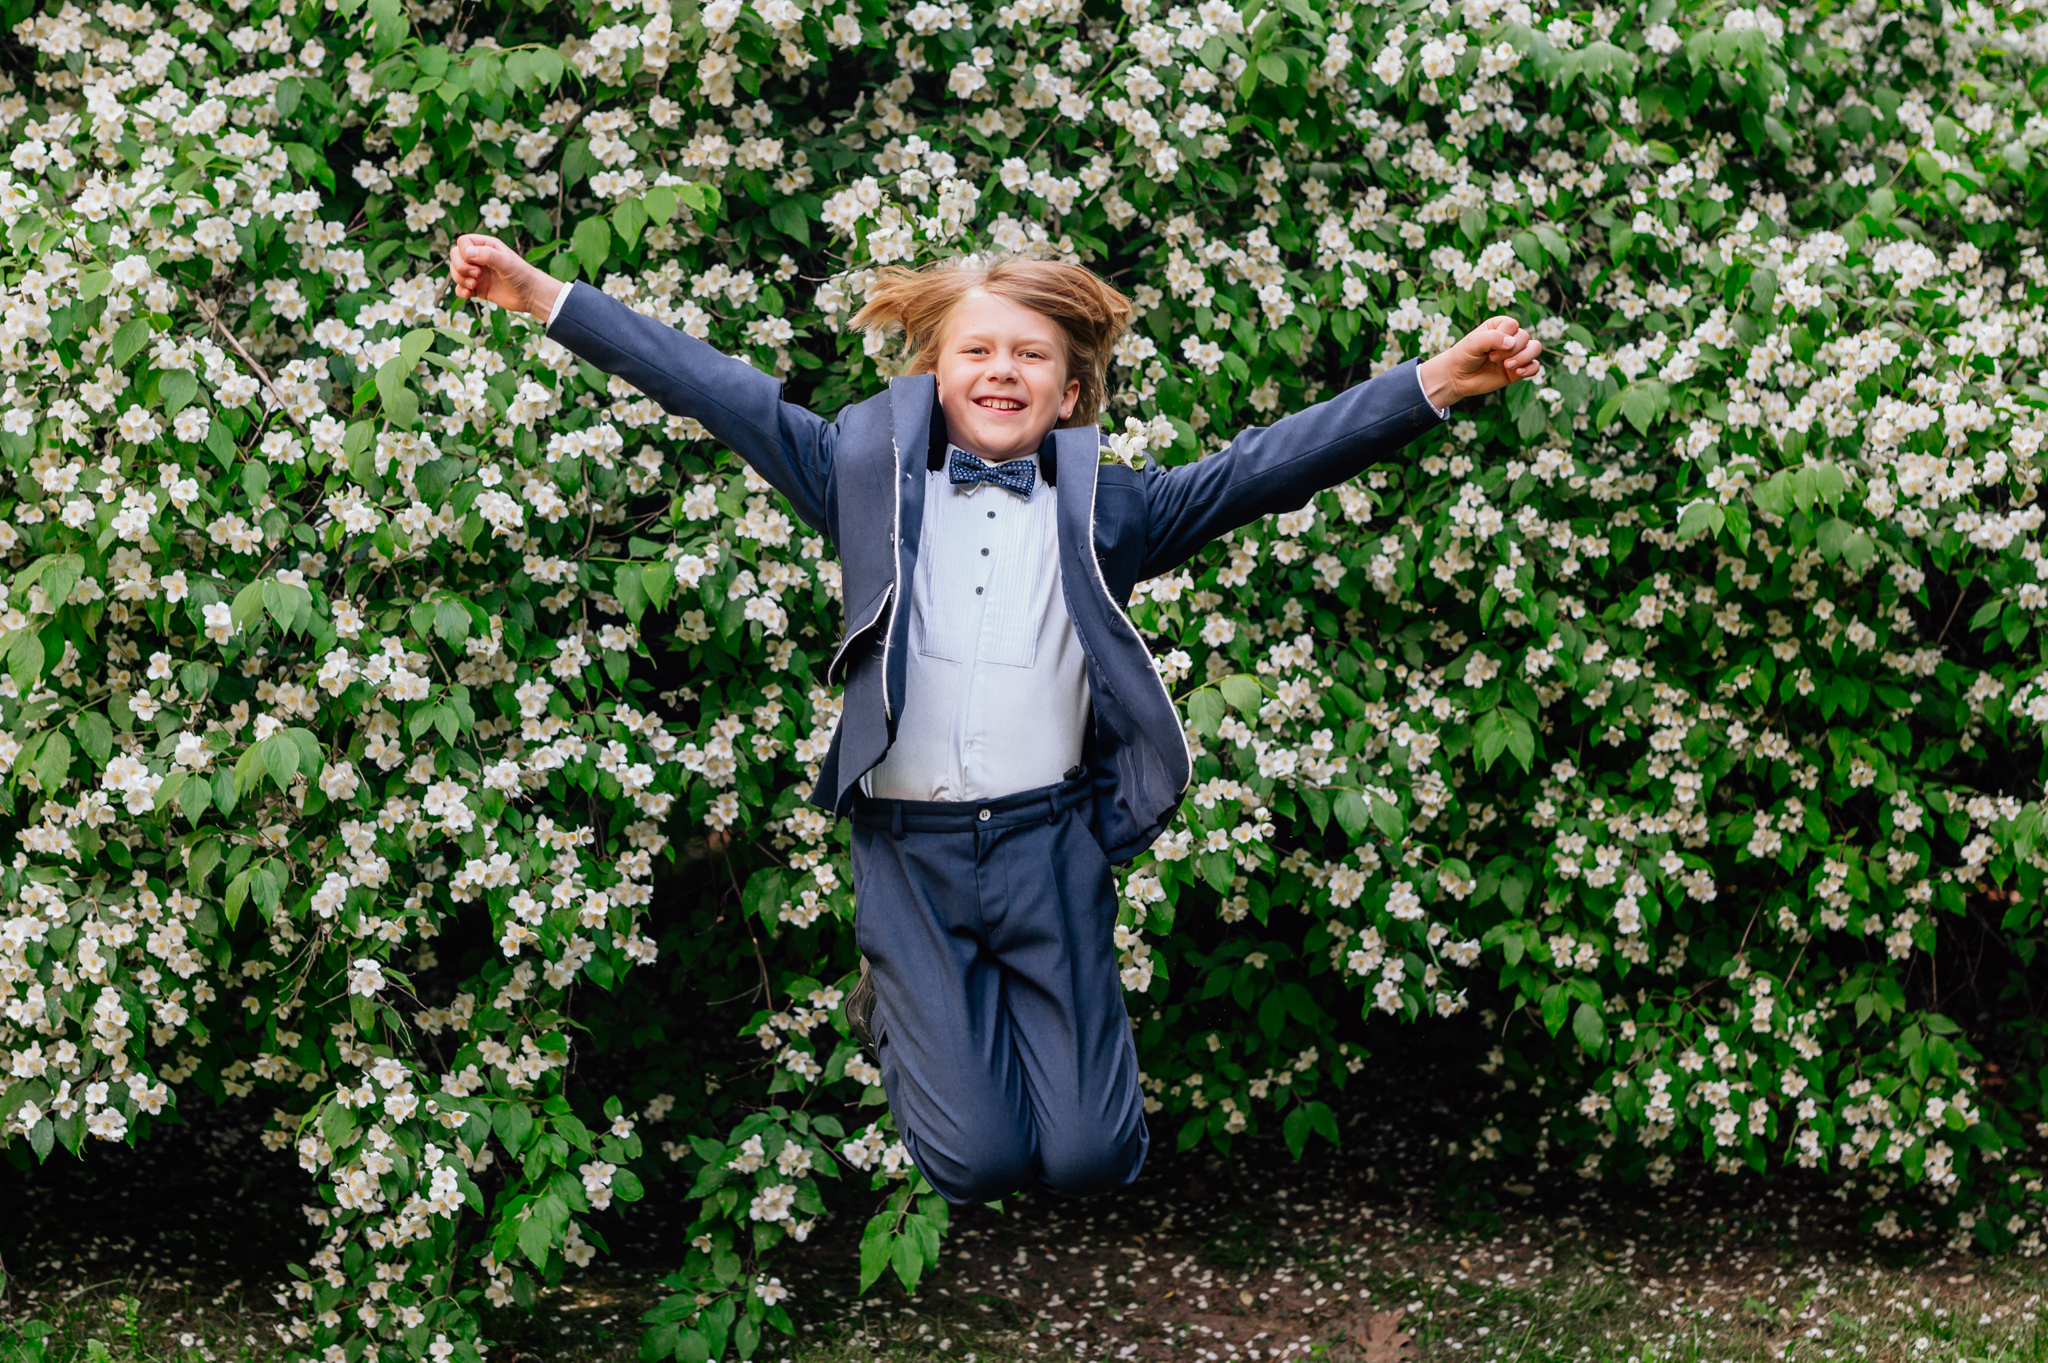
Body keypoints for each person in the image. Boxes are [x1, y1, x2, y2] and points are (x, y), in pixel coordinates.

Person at [446, 235, 1542, 1205]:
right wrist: (544, 295)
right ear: (932, 377)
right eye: (977, 351)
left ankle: (1010, 1039)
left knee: (1087, 1157)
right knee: (968, 1161)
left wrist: (1435, 379)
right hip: (906, 851)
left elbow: (1265, 467)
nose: (1001, 370)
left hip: (1046, 842)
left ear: (1069, 393)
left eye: (1029, 355)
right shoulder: (854, 478)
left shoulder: (1118, 510)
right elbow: (716, 390)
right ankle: (912, 1003)